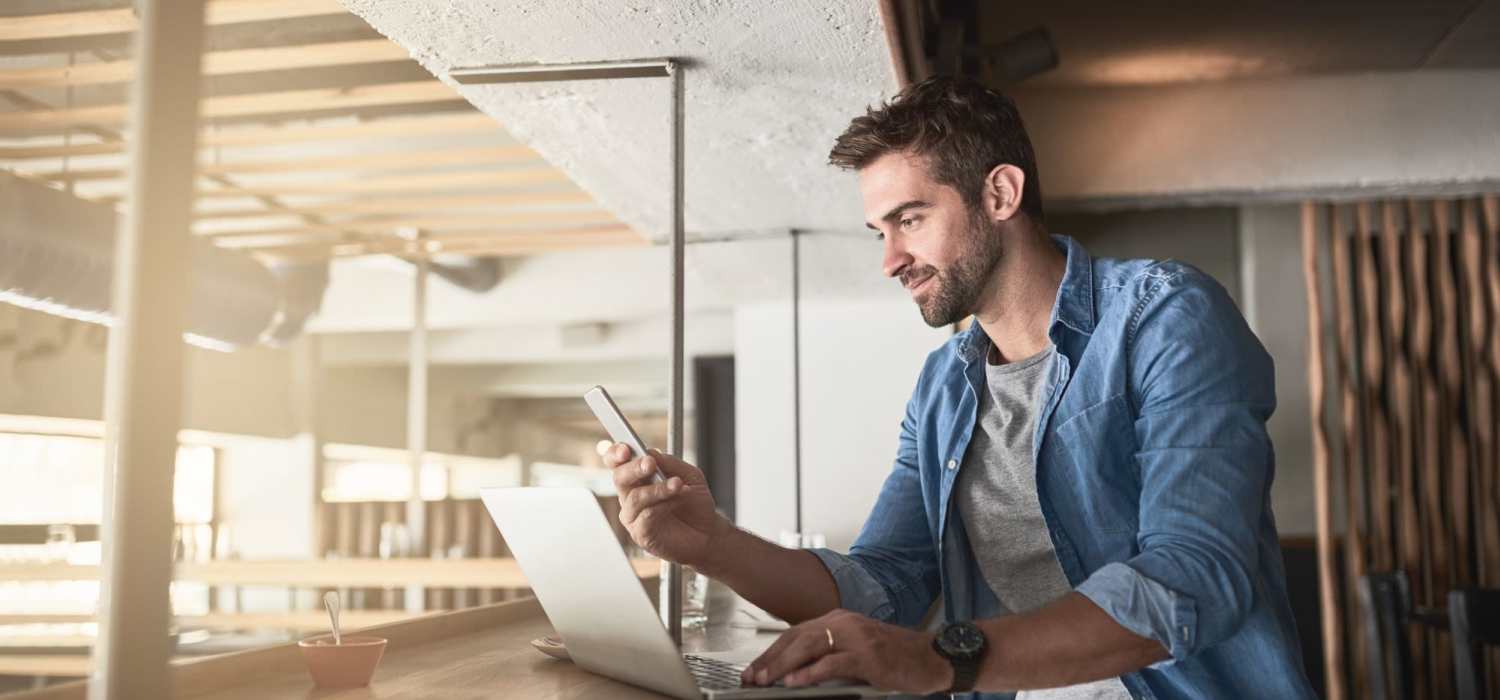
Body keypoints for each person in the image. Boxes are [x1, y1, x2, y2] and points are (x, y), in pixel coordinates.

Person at [606, 76, 1316, 699]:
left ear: (1000, 193)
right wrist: (711, 544)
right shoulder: (945, 388)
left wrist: (941, 659)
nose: (889, 260)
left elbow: (1195, 575)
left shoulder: (1164, 316)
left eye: (910, 220)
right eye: (878, 232)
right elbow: (884, 588)